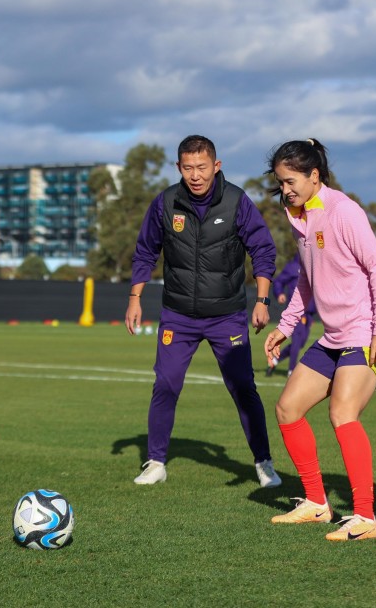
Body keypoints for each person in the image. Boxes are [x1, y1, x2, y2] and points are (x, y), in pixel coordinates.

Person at [125, 134, 282, 489]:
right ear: (179, 167)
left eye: (202, 167)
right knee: (165, 384)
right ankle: (156, 462)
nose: (195, 175)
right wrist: (135, 298)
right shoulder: (166, 202)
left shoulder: (237, 201)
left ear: (216, 166)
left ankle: (264, 462)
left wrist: (262, 300)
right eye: (188, 168)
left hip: (226, 315)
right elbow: (145, 251)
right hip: (178, 315)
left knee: (243, 387)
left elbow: (263, 250)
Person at [262, 138, 376, 542]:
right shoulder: (299, 215)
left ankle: (366, 518)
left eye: (291, 180)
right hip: (332, 336)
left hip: (363, 333)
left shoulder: (343, 211)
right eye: (281, 182)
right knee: (287, 408)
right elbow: (306, 279)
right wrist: (285, 327)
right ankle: (317, 504)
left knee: (343, 414)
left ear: (314, 175)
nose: (286, 189)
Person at [266, 253, 317, 377]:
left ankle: (275, 360)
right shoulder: (293, 267)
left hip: (309, 314)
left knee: (301, 343)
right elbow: (278, 282)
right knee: (296, 341)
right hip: (297, 313)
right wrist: (279, 293)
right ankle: (291, 371)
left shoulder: (316, 266)